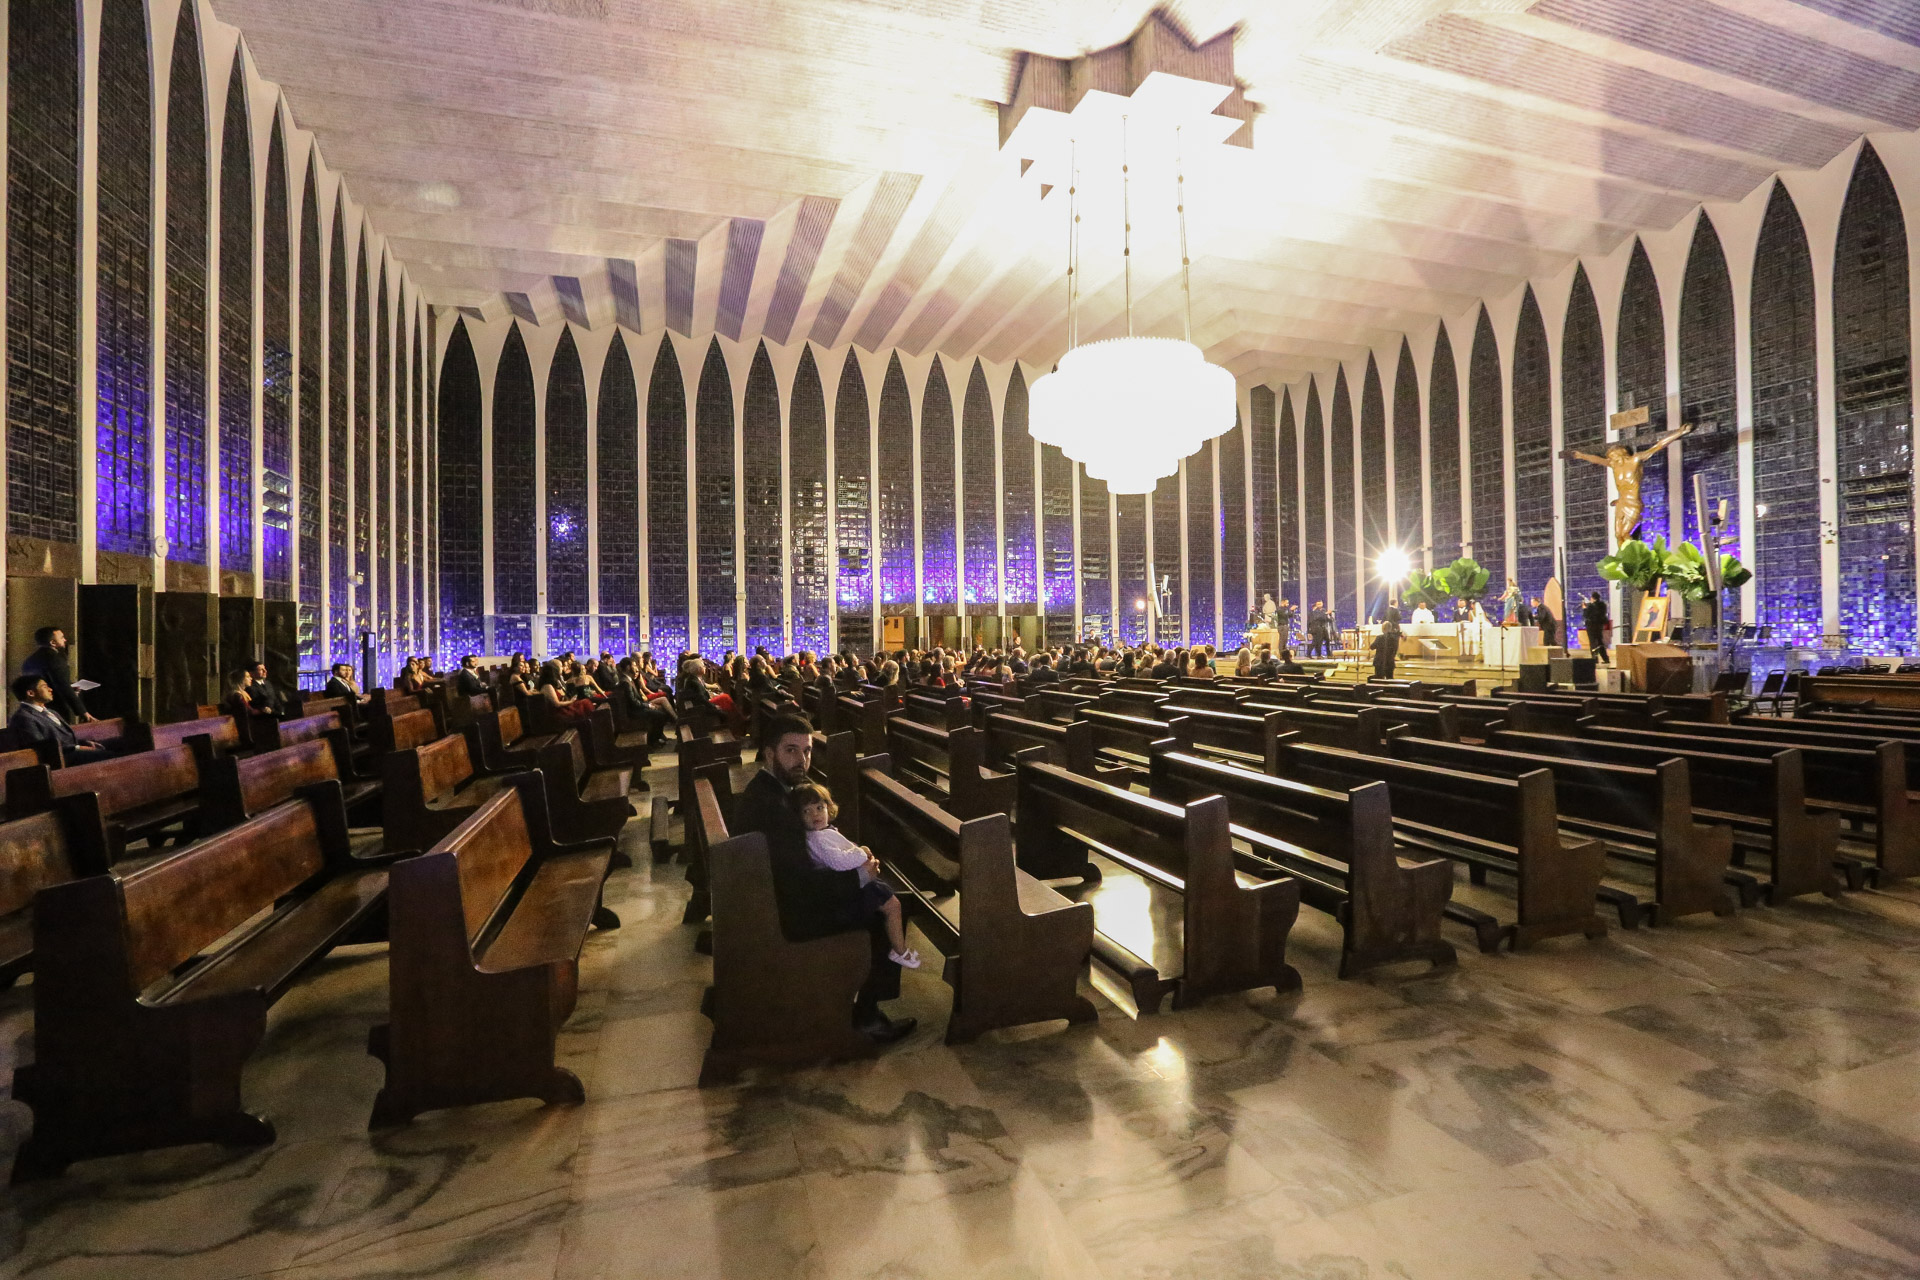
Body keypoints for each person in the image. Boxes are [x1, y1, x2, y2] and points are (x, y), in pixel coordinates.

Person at [730, 715, 912, 1043]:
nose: (802, 760)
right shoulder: (775, 807)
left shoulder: (773, 790)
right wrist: (859, 876)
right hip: (787, 917)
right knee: (889, 906)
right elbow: (799, 889)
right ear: (769, 753)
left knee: (883, 895)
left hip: (774, 901)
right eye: (791, 750)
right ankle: (866, 1017)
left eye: (807, 750)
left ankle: (865, 1008)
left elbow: (799, 868)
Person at [789, 782, 919, 969]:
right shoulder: (819, 838)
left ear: (828, 808)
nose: (815, 814)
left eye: (819, 808)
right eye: (807, 811)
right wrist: (862, 853)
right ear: (799, 817)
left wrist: (860, 851)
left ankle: (897, 949)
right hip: (853, 885)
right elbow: (839, 862)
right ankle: (899, 951)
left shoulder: (822, 833)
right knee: (893, 907)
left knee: (892, 906)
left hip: (853, 881)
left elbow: (844, 849)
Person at [9, 675, 110, 761]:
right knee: (110, 756)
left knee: (116, 745)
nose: (50, 689)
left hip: (71, 752)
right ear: (31, 693)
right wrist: (78, 747)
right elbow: (41, 747)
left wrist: (85, 743)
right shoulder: (23, 717)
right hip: (61, 759)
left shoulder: (52, 712)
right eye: (45, 686)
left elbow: (66, 738)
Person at [22, 626, 92, 724]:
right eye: (62, 637)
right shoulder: (56, 659)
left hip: (36, 708)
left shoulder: (29, 661)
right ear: (53, 643)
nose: (65, 640)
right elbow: (63, 686)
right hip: (57, 708)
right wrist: (83, 712)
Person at [1371, 611, 1402, 679]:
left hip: (1379, 662)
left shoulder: (1380, 637)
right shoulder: (1394, 639)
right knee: (1390, 679)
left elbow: (1372, 647)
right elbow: (1395, 649)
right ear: (1390, 628)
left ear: (1383, 629)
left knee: (1379, 680)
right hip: (1390, 662)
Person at [1582, 592, 1611, 663]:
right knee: (1600, 642)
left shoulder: (1591, 606)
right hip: (1599, 626)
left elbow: (1586, 615)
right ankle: (1605, 658)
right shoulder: (1602, 605)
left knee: (1593, 643)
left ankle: (1594, 659)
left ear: (1592, 598)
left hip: (1591, 626)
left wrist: (1585, 608)